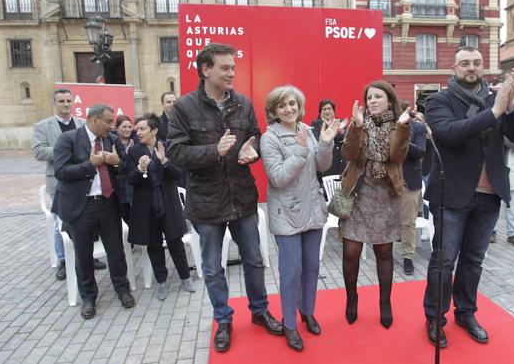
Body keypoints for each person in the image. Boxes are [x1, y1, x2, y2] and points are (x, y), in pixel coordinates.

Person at [167, 43, 282, 353]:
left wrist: (252, 149)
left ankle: (259, 312)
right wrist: (212, 151)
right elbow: (175, 153)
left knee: (255, 261)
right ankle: (224, 320)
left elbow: (256, 133)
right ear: (206, 69)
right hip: (206, 203)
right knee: (212, 268)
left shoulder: (243, 104)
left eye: (233, 67)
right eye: (225, 68)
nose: (232, 72)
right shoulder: (183, 108)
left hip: (243, 198)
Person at [422, 47, 514, 348]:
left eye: (477, 63)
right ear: (454, 67)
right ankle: (435, 317)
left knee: (473, 260)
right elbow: (451, 133)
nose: (472, 68)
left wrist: (511, 106)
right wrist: (494, 111)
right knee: (444, 261)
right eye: (465, 63)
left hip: (490, 194)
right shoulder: (439, 100)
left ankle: (466, 312)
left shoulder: (499, 99)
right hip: (452, 194)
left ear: (484, 67)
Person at [261, 86, 338, 351]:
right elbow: (279, 177)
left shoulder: (306, 129)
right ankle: (290, 323)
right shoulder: (269, 138)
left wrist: (326, 143)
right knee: (291, 272)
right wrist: (301, 150)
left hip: (313, 209)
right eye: (282, 105)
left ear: (299, 105)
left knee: (312, 268)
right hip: (286, 214)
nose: (289, 109)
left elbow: (322, 165)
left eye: (292, 103)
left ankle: (307, 311)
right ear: (274, 110)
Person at [340, 80, 412, 329]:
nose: (372, 101)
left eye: (377, 97)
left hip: (386, 196)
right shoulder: (359, 124)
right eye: (369, 97)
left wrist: (402, 127)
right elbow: (348, 155)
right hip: (358, 194)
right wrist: (357, 127)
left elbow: (397, 156)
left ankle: (385, 303)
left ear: (389, 99)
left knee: (384, 253)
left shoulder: (399, 125)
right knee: (351, 253)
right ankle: (351, 299)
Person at [52, 104, 135, 319]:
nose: (111, 126)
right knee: (83, 254)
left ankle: (122, 289)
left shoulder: (111, 139)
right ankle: (88, 297)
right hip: (81, 206)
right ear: (94, 120)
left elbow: (125, 166)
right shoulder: (69, 139)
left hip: (108, 203)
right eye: (108, 121)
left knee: (116, 250)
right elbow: (60, 172)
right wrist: (90, 165)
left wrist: (117, 163)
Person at [124, 113, 195, 300]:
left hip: (168, 202)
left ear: (154, 130)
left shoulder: (168, 147)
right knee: (153, 245)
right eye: (137, 129)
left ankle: (185, 277)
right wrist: (140, 169)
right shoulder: (133, 152)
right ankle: (161, 281)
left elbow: (179, 173)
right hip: (145, 204)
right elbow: (130, 180)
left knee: (175, 242)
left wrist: (164, 161)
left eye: (142, 129)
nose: (138, 132)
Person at [32, 88, 86, 280]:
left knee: (85, 219)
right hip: (59, 181)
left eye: (68, 101)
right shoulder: (43, 126)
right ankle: (63, 260)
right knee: (60, 223)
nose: (65, 104)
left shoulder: (82, 123)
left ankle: (85, 256)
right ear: (54, 103)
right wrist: (64, 150)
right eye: (61, 101)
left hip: (82, 180)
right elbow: (39, 152)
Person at [399, 100, 427, 275]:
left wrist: (401, 139)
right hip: (389, 180)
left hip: (410, 180)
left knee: (409, 221)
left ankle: (407, 256)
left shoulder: (418, 128)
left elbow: (419, 152)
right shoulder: (389, 128)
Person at [310, 99, 346, 178]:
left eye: (329, 109)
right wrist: (331, 131)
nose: (327, 111)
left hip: (340, 164)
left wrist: (342, 132)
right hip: (326, 165)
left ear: (333, 111)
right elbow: (317, 142)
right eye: (324, 109)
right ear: (320, 112)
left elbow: (347, 143)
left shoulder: (340, 123)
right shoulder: (315, 124)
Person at [114, 115, 135, 222]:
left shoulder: (136, 142)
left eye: (129, 127)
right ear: (117, 128)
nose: (127, 129)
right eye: (124, 127)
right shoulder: (112, 144)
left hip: (133, 187)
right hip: (118, 187)